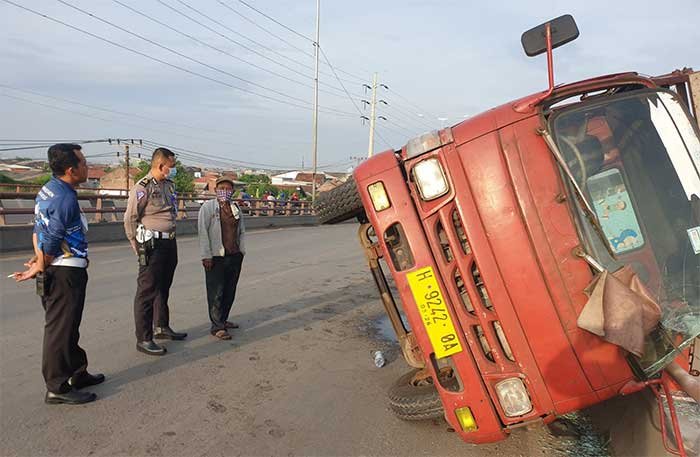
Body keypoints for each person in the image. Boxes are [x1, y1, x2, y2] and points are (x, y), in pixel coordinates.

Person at [13, 143, 104, 404]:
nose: (87, 167)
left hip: (58, 266)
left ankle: (78, 372)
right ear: (70, 169)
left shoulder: (48, 189)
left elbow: (38, 227)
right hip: (65, 271)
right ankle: (57, 387)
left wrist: (39, 258)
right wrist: (40, 264)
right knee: (60, 330)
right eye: (83, 163)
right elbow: (52, 235)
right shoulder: (65, 197)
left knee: (68, 326)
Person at [124, 148, 187, 356]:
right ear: (161, 166)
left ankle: (161, 326)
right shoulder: (143, 187)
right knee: (146, 291)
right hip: (151, 244)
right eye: (172, 166)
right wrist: (137, 246)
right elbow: (130, 218)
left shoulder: (169, 185)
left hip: (169, 242)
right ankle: (144, 338)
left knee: (163, 287)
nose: (174, 169)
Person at [198, 177, 246, 340]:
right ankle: (217, 326)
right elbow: (203, 232)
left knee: (229, 291)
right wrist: (206, 255)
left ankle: (223, 320)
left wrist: (242, 251)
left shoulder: (235, 208)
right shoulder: (208, 207)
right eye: (221, 188)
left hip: (234, 255)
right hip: (216, 256)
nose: (225, 191)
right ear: (215, 190)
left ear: (232, 191)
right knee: (216, 292)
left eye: (228, 188)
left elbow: (242, 231)